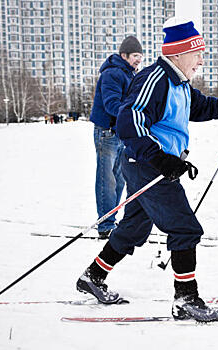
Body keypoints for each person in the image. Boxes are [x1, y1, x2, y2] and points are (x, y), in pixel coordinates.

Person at [76, 18, 218, 322]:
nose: (201, 61)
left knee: (133, 227)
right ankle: (186, 299)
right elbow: (129, 120)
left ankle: (92, 276)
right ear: (178, 54)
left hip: (150, 164)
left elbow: (205, 108)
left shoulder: (180, 85)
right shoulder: (156, 80)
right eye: (197, 54)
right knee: (184, 227)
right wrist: (161, 158)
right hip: (148, 165)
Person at [89, 36, 144, 239]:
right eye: (135, 56)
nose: (139, 59)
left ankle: (111, 218)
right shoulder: (113, 73)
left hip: (120, 133)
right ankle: (105, 225)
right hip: (107, 133)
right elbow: (112, 104)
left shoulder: (129, 74)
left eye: (140, 56)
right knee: (107, 180)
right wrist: (133, 112)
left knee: (120, 179)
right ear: (124, 55)